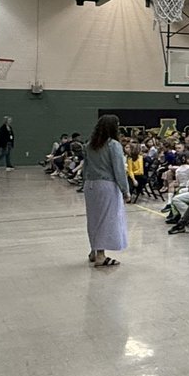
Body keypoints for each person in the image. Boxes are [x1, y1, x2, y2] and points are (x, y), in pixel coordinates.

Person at [82, 114, 129, 267]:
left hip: (90, 185)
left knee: (94, 219)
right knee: (105, 220)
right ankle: (101, 255)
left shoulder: (89, 145)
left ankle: (94, 250)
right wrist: (125, 190)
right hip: (106, 185)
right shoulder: (113, 145)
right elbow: (119, 169)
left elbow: (85, 168)